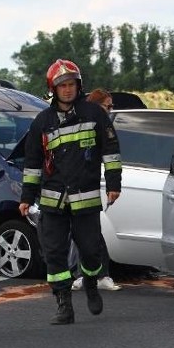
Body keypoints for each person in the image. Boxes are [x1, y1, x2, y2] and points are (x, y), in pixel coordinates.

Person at [18, 60, 122, 325]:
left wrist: (113, 184)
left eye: (71, 85)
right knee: (53, 253)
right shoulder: (42, 121)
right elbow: (32, 163)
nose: (67, 90)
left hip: (85, 199)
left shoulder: (94, 114)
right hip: (53, 200)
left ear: (79, 86)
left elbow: (110, 151)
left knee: (90, 251)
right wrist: (27, 198)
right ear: (53, 89)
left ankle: (89, 280)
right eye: (62, 85)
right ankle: (63, 303)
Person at [70, 88, 122, 292]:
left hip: (89, 186)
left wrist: (113, 185)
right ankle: (88, 274)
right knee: (81, 233)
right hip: (73, 184)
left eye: (111, 106)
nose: (110, 110)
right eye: (107, 106)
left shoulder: (102, 125)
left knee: (90, 233)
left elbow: (111, 155)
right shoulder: (79, 121)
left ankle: (98, 274)